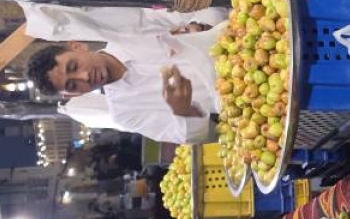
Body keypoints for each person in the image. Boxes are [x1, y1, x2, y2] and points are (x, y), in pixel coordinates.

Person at [28, 23, 223, 144]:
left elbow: (186, 11)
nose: (85, 77)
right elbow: (193, 137)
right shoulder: (125, 113)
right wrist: (183, 111)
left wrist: (194, 27)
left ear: (77, 46)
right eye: (73, 85)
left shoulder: (129, 30)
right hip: (241, 96)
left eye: (74, 66)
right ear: (72, 95)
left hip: (235, 41)